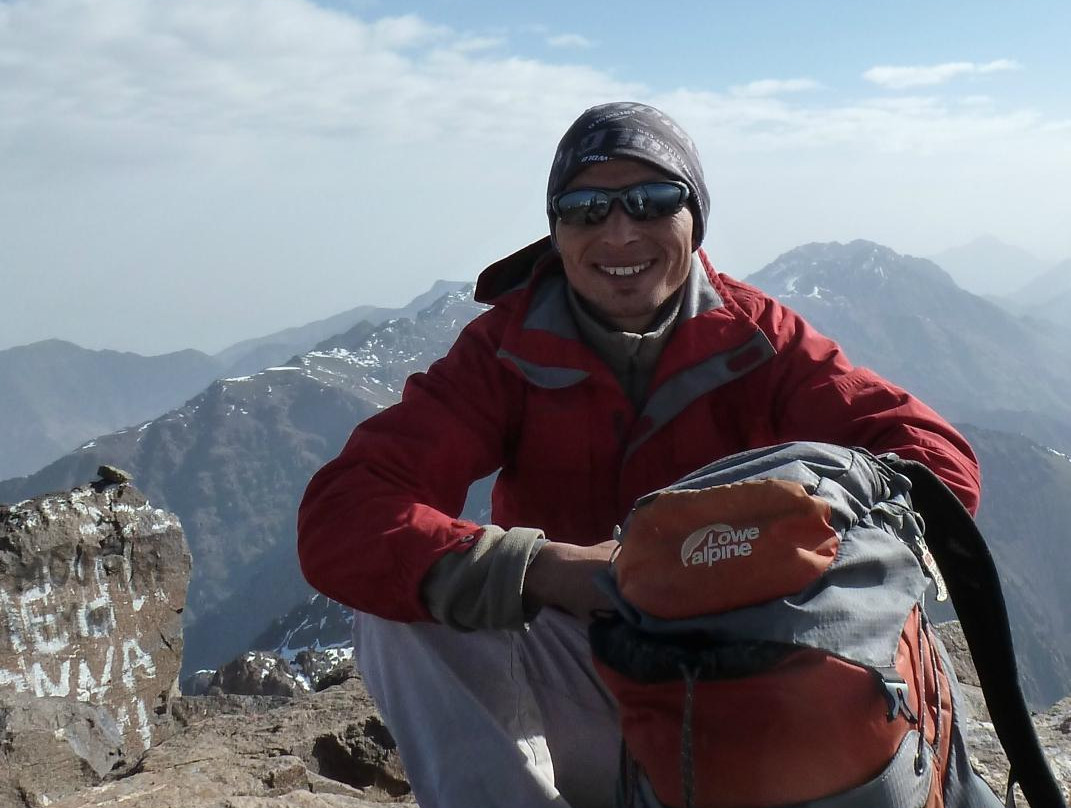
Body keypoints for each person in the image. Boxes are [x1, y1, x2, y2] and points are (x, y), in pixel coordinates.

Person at [297, 102, 980, 808]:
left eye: (654, 200)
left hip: (751, 677)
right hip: (591, 675)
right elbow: (343, 514)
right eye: (585, 208)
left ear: (695, 218)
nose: (620, 231)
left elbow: (933, 461)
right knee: (398, 610)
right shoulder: (505, 352)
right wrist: (548, 568)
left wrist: (761, 553)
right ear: (556, 230)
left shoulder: (758, 339)